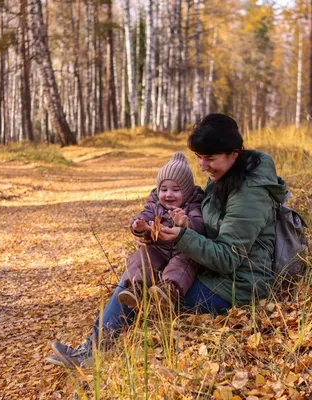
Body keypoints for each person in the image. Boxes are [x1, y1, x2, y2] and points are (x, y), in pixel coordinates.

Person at [47, 113, 287, 369]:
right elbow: (199, 217)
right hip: (212, 270)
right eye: (199, 158)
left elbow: (228, 257)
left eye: (209, 159)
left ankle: (95, 355)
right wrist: (156, 234)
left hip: (236, 284)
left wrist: (182, 237)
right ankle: (93, 349)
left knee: (148, 295)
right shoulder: (225, 174)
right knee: (137, 277)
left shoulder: (249, 194)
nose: (203, 167)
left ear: (234, 154)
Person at [117, 151, 205, 310]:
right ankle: (136, 288)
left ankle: (168, 290)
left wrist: (186, 223)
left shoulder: (192, 205)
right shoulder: (154, 205)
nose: (168, 194)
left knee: (184, 263)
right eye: (163, 189)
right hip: (158, 248)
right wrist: (138, 227)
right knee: (142, 257)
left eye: (175, 190)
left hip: (182, 250)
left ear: (185, 192)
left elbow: (199, 224)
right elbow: (142, 216)